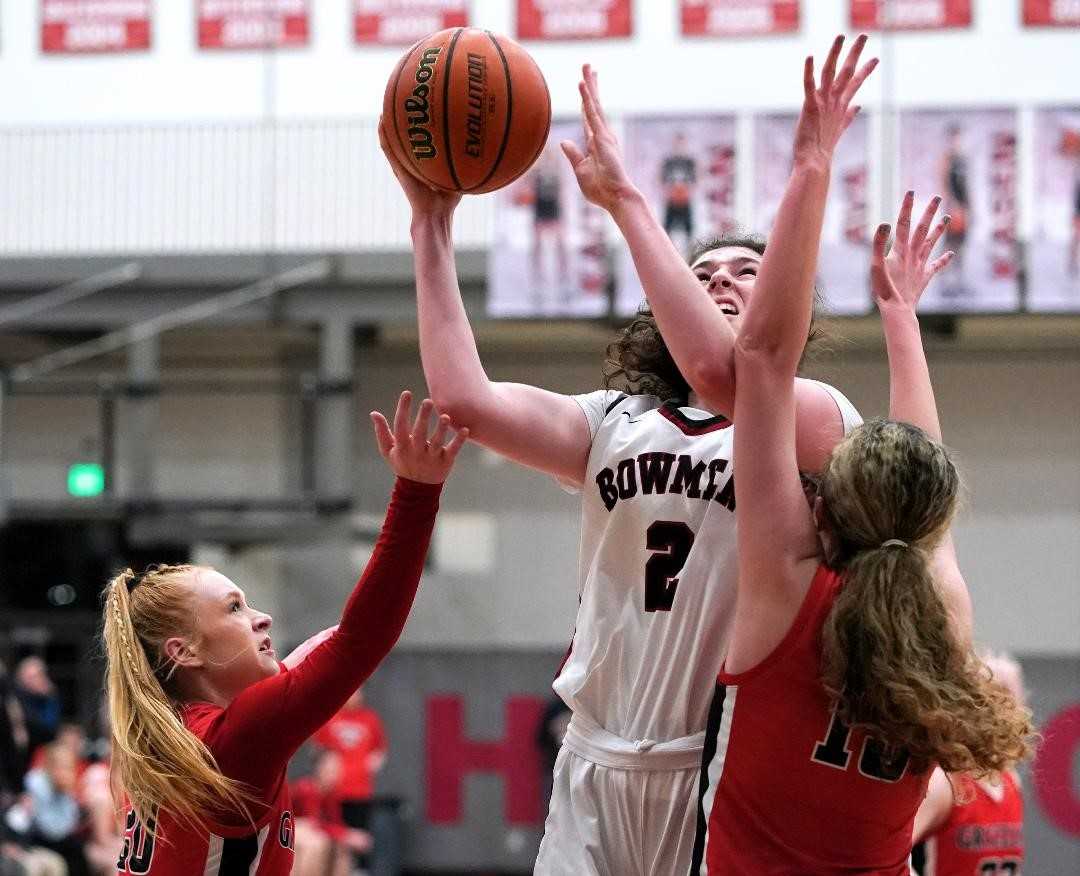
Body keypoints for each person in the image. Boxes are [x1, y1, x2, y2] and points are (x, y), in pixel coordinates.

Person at [380, 34, 874, 876]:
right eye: (704, 270)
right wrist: (431, 224)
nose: (721, 279)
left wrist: (626, 201)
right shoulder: (612, 421)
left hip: (718, 760)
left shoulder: (818, 421)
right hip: (591, 755)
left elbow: (730, 374)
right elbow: (467, 399)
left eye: (748, 271)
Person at [692, 144, 1035, 873]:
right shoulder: (941, 611)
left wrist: (815, 163)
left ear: (823, 509)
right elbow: (925, 485)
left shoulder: (786, 595)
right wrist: (900, 315)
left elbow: (758, 364)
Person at [103, 391, 465, 875]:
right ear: (184, 651)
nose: (261, 617)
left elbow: (336, 648)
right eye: (234, 608)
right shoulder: (232, 743)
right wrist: (417, 492)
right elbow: (359, 642)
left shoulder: (179, 735)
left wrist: (356, 637)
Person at [911, 653, 1028, 875]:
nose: (1004, 712)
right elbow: (891, 852)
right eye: (993, 698)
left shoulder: (1011, 781)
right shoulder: (946, 783)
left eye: (1010, 698)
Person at [312, 687, 386, 867]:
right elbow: (318, 748)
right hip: (335, 790)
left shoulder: (370, 719)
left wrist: (371, 765)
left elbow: (380, 749)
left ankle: (359, 869)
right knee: (336, 841)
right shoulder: (331, 716)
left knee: (361, 838)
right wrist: (329, 769)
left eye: (358, 691)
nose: (354, 695)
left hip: (360, 790)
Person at [290, 751, 370, 876]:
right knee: (315, 843)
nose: (335, 774)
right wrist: (346, 835)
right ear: (319, 769)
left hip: (311, 829)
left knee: (341, 847)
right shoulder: (306, 789)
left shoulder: (330, 794)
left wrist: (347, 835)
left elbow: (335, 821)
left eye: (337, 769)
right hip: (288, 828)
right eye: (330, 769)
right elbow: (313, 822)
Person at [660, 131, 697, 253]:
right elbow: (662, 180)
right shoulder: (668, 162)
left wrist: (687, 191)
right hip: (671, 200)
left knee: (688, 230)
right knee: (667, 229)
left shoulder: (689, 162)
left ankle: (689, 254)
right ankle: (667, 252)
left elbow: (695, 181)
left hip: (685, 200)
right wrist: (669, 192)